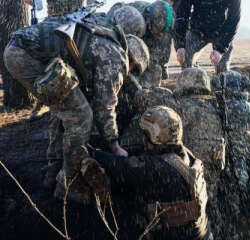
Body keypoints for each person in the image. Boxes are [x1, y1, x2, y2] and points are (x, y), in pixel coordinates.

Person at [3, 5, 150, 203]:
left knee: (64, 107)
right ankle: (71, 186)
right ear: (133, 60)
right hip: (26, 56)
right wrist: (114, 145)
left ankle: (52, 171)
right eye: (133, 69)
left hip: (19, 47)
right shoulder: (117, 58)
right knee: (81, 115)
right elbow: (104, 106)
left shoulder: (101, 30)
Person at [119, 68, 250, 239]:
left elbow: (142, 98)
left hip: (181, 193)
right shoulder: (217, 112)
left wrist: (128, 78)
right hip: (208, 191)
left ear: (183, 85)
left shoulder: (179, 108)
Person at [94, 106, 214, 240]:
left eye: (145, 135)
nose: (142, 139)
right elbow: (141, 156)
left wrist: (92, 152)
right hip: (202, 234)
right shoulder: (185, 156)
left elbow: (120, 167)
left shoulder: (158, 169)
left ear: (154, 137)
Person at [107, 0, 175, 88]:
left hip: (145, 42)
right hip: (120, 34)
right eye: (158, 32)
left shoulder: (164, 31)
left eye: (163, 32)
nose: (161, 35)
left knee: (152, 74)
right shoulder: (133, 20)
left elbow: (155, 63)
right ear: (148, 21)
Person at [174, 0, 241, 74]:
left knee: (222, 70)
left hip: (221, 32)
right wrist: (180, 45)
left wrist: (220, 49)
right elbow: (182, 14)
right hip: (197, 30)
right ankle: (195, 79)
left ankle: (220, 81)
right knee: (185, 58)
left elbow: (233, 20)